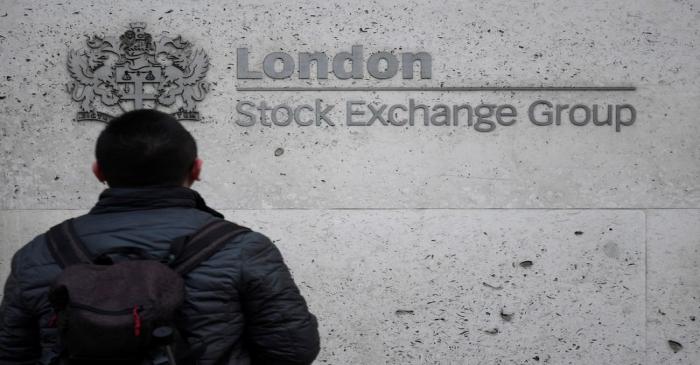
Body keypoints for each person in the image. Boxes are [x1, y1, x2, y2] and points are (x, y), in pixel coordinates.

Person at [0, 109, 320, 365]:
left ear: (98, 172)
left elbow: (12, 354)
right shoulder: (243, 249)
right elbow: (293, 351)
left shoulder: (38, 254)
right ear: (196, 169)